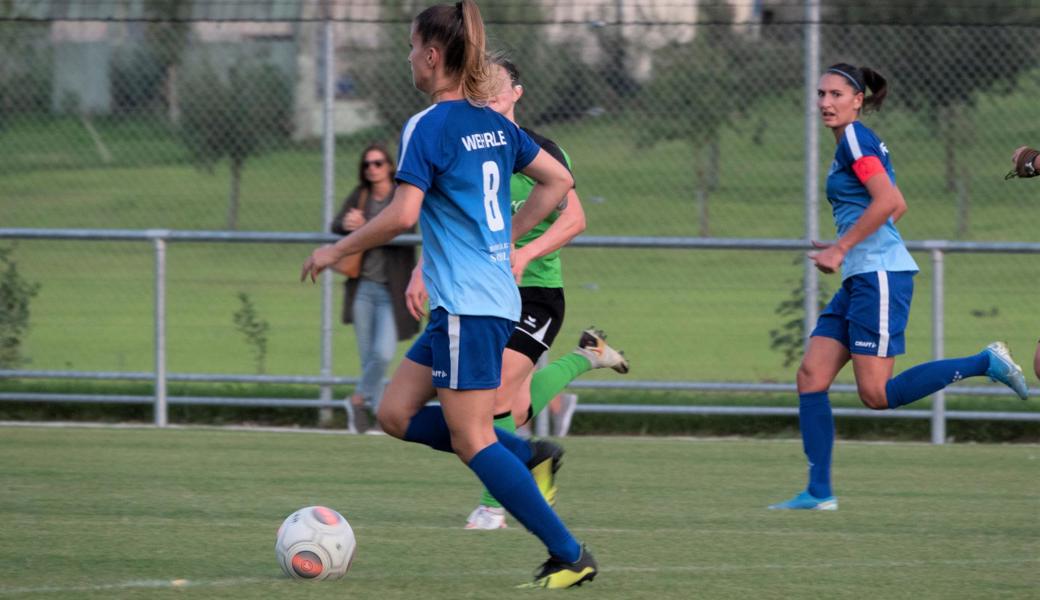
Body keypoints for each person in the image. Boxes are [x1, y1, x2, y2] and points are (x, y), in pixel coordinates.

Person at [301, 1, 596, 588]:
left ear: (433, 56)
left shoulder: (429, 125)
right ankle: (525, 455)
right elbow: (559, 182)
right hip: (465, 302)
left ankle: (569, 552)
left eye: (412, 48)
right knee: (393, 413)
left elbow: (402, 214)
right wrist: (505, 238)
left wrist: (338, 250)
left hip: (469, 305)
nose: (409, 57)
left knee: (472, 438)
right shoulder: (497, 126)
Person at [769, 63, 1030, 511]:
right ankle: (818, 492)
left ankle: (983, 361)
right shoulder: (851, 142)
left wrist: (841, 248)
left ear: (858, 100)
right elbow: (897, 205)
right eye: (821, 94)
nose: (825, 103)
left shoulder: (854, 138)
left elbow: (889, 202)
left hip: (880, 277)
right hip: (862, 274)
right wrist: (847, 245)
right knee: (811, 375)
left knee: (876, 395)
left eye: (836, 95)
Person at [403, 55, 629, 530]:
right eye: (478, 91)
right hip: (475, 291)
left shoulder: (538, 152)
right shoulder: (467, 146)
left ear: (517, 94)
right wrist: (423, 267)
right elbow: (451, 219)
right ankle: (585, 360)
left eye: (496, 91)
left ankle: (494, 504)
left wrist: (525, 254)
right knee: (513, 408)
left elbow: (575, 218)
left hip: (535, 294)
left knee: (496, 400)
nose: (487, 99)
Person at [331, 143, 420, 434]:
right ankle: (382, 418)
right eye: (368, 164)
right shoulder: (361, 195)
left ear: (390, 166)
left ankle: (357, 400)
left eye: (378, 163)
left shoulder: (401, 195)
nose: (372, 169)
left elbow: (405, 228)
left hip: (391, 292)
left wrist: (366, 225)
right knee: (370, 357)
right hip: (363, 287)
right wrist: (349, 224)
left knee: (382, 355)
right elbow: (336, 226)